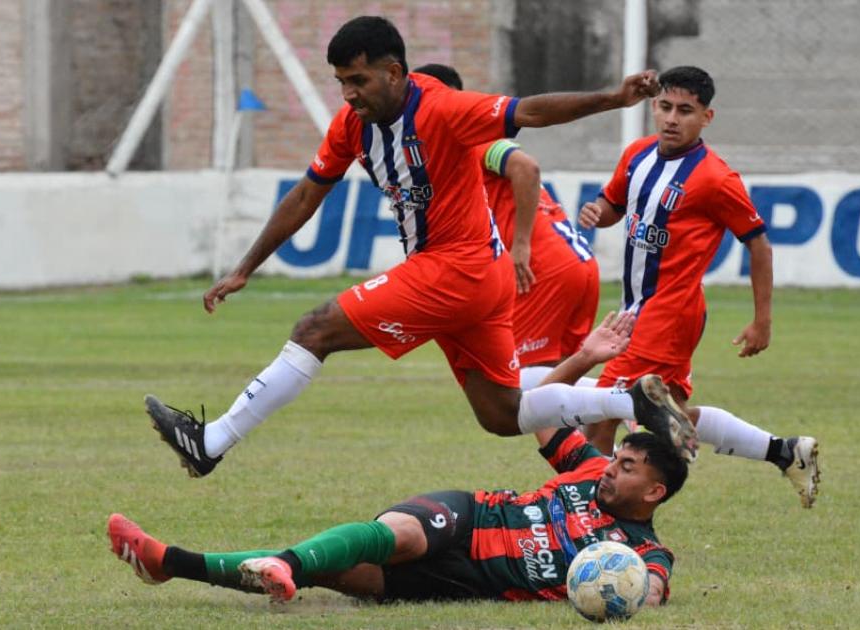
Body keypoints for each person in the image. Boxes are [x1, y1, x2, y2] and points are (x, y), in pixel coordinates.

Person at [143, 16, 696, 479]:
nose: (348, 93)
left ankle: (210, 443)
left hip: (453, 268)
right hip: (477, 276)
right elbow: (308, 193)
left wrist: (613, 98)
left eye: (357, 79)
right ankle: (632, 400)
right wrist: (246, 267)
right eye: (340, 82)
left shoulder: (442, 108)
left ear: (394, 72)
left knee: (314, 330)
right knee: (502, 415)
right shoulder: (351, 125)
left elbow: (528, 112)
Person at [109, 312, 687, 606]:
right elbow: (534, 414)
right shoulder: (587, 470)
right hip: (472, 516)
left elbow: (653, 589)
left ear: (655, 492)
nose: (612, 467)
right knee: (403, 535)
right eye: (618, 458)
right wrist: (583, 357)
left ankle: (172, 564)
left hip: (467, 583)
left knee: (336, 573)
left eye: (629, 467)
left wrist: (630, 592)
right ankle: (279, 560)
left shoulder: (644, 552)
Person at [577, 66, 820, 507]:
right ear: (653, 106)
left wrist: (761, 320)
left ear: (706, 117)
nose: (672, 118)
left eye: (685, 111)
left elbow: (759, 244)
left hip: (667, 313)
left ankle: (587, 515)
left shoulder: (714, 178)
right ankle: (785, 452)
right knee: (662, 420)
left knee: (598, 418)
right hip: (637, 310)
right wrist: (595, 211)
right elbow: (613, 203)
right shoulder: (637, 155)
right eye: (666, 107)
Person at [412, 63, 600, 391]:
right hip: (577, 265)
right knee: (561, 388)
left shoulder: (471, 140)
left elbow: (526, 167)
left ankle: (626, 396)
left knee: (520, 387)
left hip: (540, 269)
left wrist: (521, 245)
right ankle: (621, 429)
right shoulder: (446, 152)